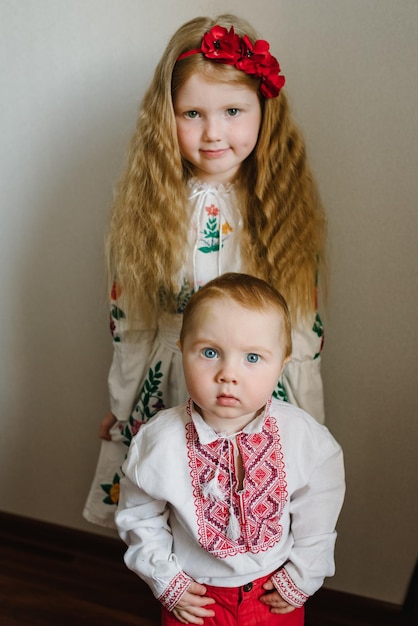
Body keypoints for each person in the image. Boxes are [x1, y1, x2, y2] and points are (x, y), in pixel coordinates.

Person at [83, 14, 327, 529]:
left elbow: (303, 330)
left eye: (233, 110)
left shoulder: (283, 208)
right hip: (173, 383)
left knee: (250, 521)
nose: (214, 132)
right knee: (175, 520)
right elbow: (131, 324)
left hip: (258, 397)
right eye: (192, 113)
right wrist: (122, 405)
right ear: (164, 118)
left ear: (263, 110)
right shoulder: (150, 208)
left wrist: (309, 416)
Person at [115, 273, 345, 626]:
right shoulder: (159, 440)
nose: (228, 374)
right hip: (194, 597)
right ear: (182, 350)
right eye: (210, 352)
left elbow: (319, 515)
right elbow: (139, 516)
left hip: (274, 592)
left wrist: (303, 576)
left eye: (252, 358)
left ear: (281, 365)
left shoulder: (304, 438)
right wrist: (166, 580)